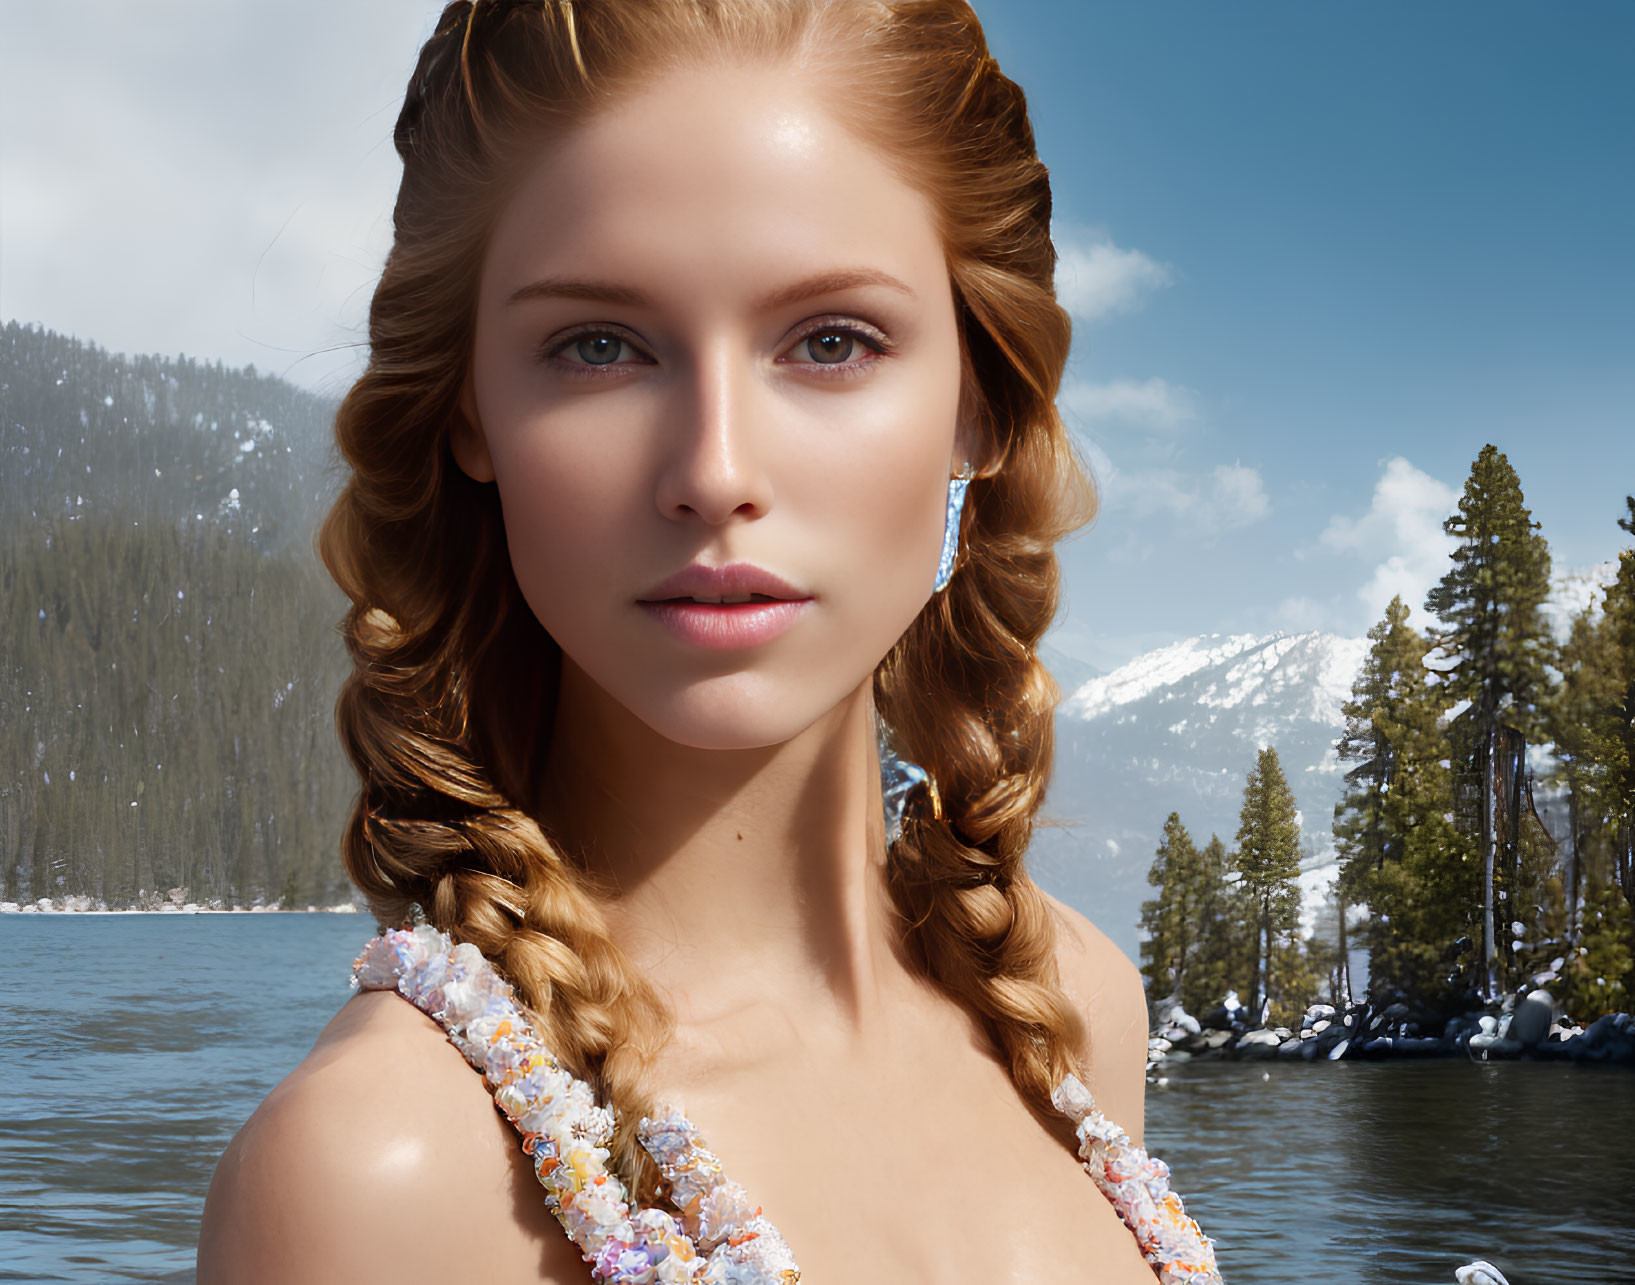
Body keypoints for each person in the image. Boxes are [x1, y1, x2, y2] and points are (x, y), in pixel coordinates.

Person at [196, 1, 1222, 1281]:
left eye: (832, 341)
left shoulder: (1073, 1010)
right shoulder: (377, 1177)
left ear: (981, 402)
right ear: (469, 408)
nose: (715, 471)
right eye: (599, 346)